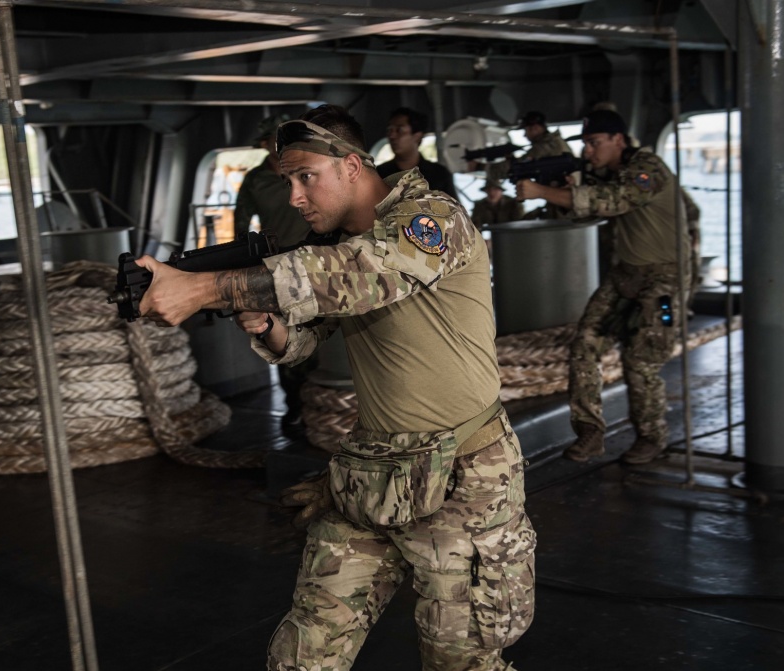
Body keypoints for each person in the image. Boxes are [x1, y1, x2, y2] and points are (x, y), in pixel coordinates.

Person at [134, 104, 535, 671]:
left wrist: (204, 289)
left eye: (306, 177)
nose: (296, 196)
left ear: (351, 166)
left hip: (462, 478)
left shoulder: (430, 220)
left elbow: (358, 277)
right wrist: (267, 324)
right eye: (287, 182)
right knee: (305, 652)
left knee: (462, 659)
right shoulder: (332, 246)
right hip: (372, 473)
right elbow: (304, 340)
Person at [516, 109, 689, 465]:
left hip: (664, 278)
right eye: (586, 144)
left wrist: (540, 191)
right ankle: (590, 434)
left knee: (641, 358)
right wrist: (565, 193)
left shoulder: (647, 169)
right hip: (625, 274)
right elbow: (587, 213)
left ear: (619, 141)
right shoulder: (607, 175)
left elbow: (615, 201)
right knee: (584, 346)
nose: (589, 152)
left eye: (595, 143)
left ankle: (651, 437)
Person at [233, 114, 315, 431]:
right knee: (280, 336)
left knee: (319, 334)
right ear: (265, 144)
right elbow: (241, 226)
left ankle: (318, 405)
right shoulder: (255, 181)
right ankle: (294, 407)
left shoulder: (306, 174)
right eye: (273, 141)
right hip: (278, 269)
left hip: (316, 262)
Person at [234, 114, 312, 248]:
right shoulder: (254, 179)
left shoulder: (309, 170)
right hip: (276, 255)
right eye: (279, 138)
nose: (287, 143)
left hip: (314, 251)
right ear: (265, 144)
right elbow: (241, 223)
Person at [375, 106, 459, 201]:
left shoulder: (439, 175)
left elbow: (454, 211)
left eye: (399, 130)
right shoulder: (380, 175)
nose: (392, 135)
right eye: (390, 130)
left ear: (417, 136)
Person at [484, 110, 573, 183]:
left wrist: (484, 168)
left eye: (526, 130)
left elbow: (518, 167)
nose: (525, 135)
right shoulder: (554, 142)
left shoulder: (544, 147)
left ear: (535, 128)